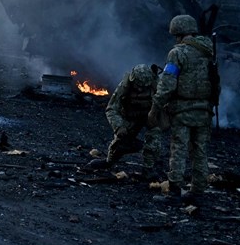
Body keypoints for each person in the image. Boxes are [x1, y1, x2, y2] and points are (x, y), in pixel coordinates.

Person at [149, 14, 215, 204]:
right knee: (200, 150)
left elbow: (168, 83)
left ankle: (174, 191)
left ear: (177, 33)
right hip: (204, 110)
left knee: (178, 148)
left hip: (183, 110)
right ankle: (197, 191)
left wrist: (156, 106)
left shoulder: (177, 53)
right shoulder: (208, 51)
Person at [91, 64, 163, 180]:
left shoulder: (156, 84)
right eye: (138, 86)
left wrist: (161, 119)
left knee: (154, 140)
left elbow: (165, 102)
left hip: (150, 115)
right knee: (120, 142)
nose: (140, 89)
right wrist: (119, 126)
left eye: (143, 86)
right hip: (131, 116)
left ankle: (148, 169)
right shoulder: (125, 86)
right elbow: (111, 108)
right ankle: (109, 161)